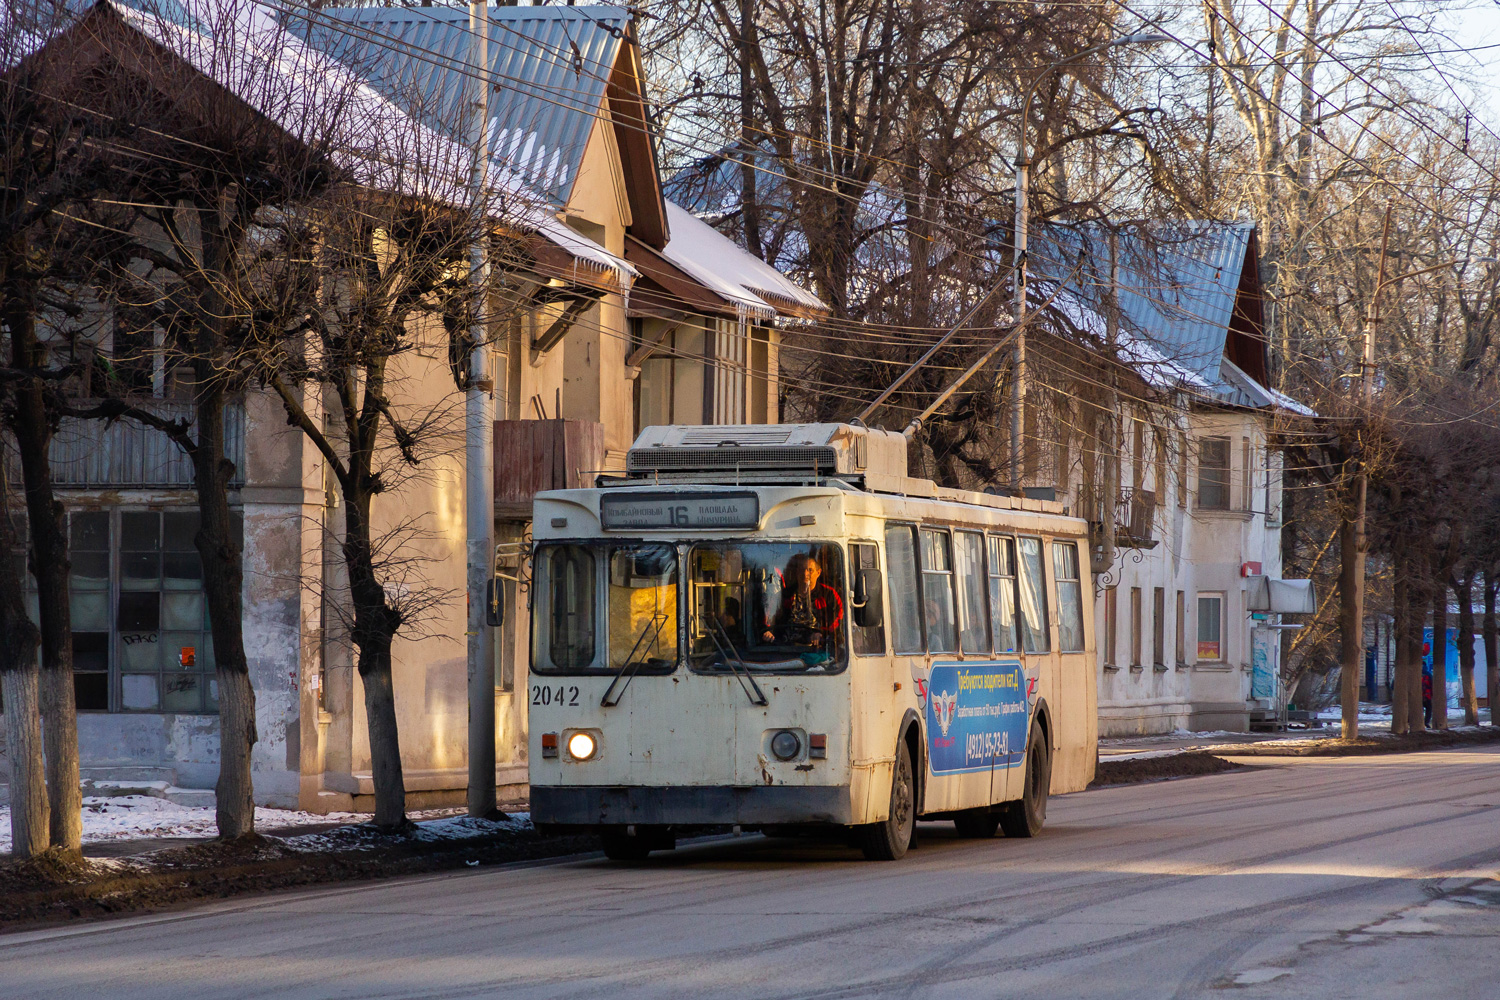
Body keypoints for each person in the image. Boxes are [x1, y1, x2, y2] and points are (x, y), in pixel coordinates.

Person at [763, 552, 843, 651]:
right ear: (797, 572)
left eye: (810, 570)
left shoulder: (829, 595)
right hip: (786, 649)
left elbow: (839, 620)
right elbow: (770, 615)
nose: (805, 574)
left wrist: (822, 633)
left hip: (817, 649)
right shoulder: (785, 595)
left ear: (818, 573)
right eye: (801, 570)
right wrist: (769, 631)